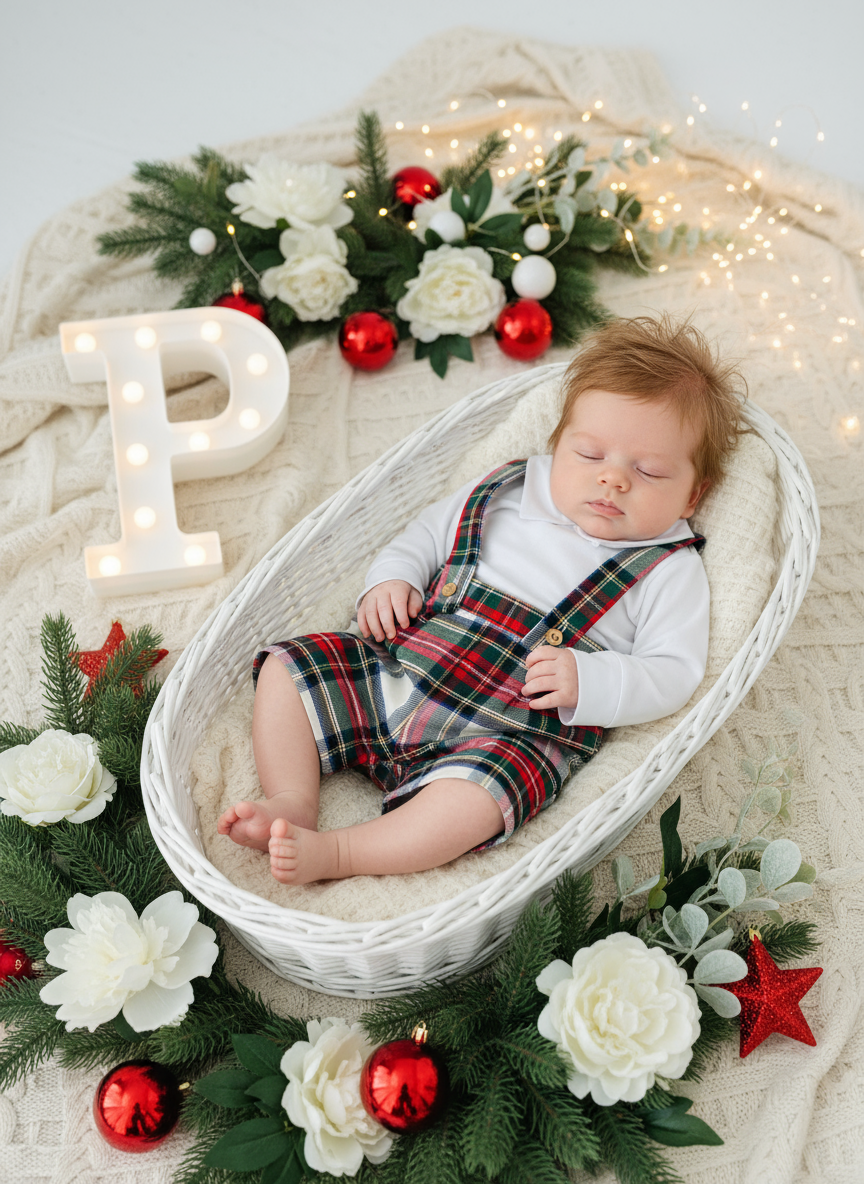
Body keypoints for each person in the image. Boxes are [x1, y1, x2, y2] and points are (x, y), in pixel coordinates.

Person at [218, 314, 744, 885]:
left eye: (648, 471)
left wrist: (590, 682)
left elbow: (674, 672)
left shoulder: (670, 567)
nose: (612, 480)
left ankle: (344, 853)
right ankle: (292, 799)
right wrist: (392, 581)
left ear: (694, 493)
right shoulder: (509, 490)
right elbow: (423, 535)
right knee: (291, 667)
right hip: (404, 667)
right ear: (557, 446)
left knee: (485, 795)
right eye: (590, 455)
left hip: (513, 726)